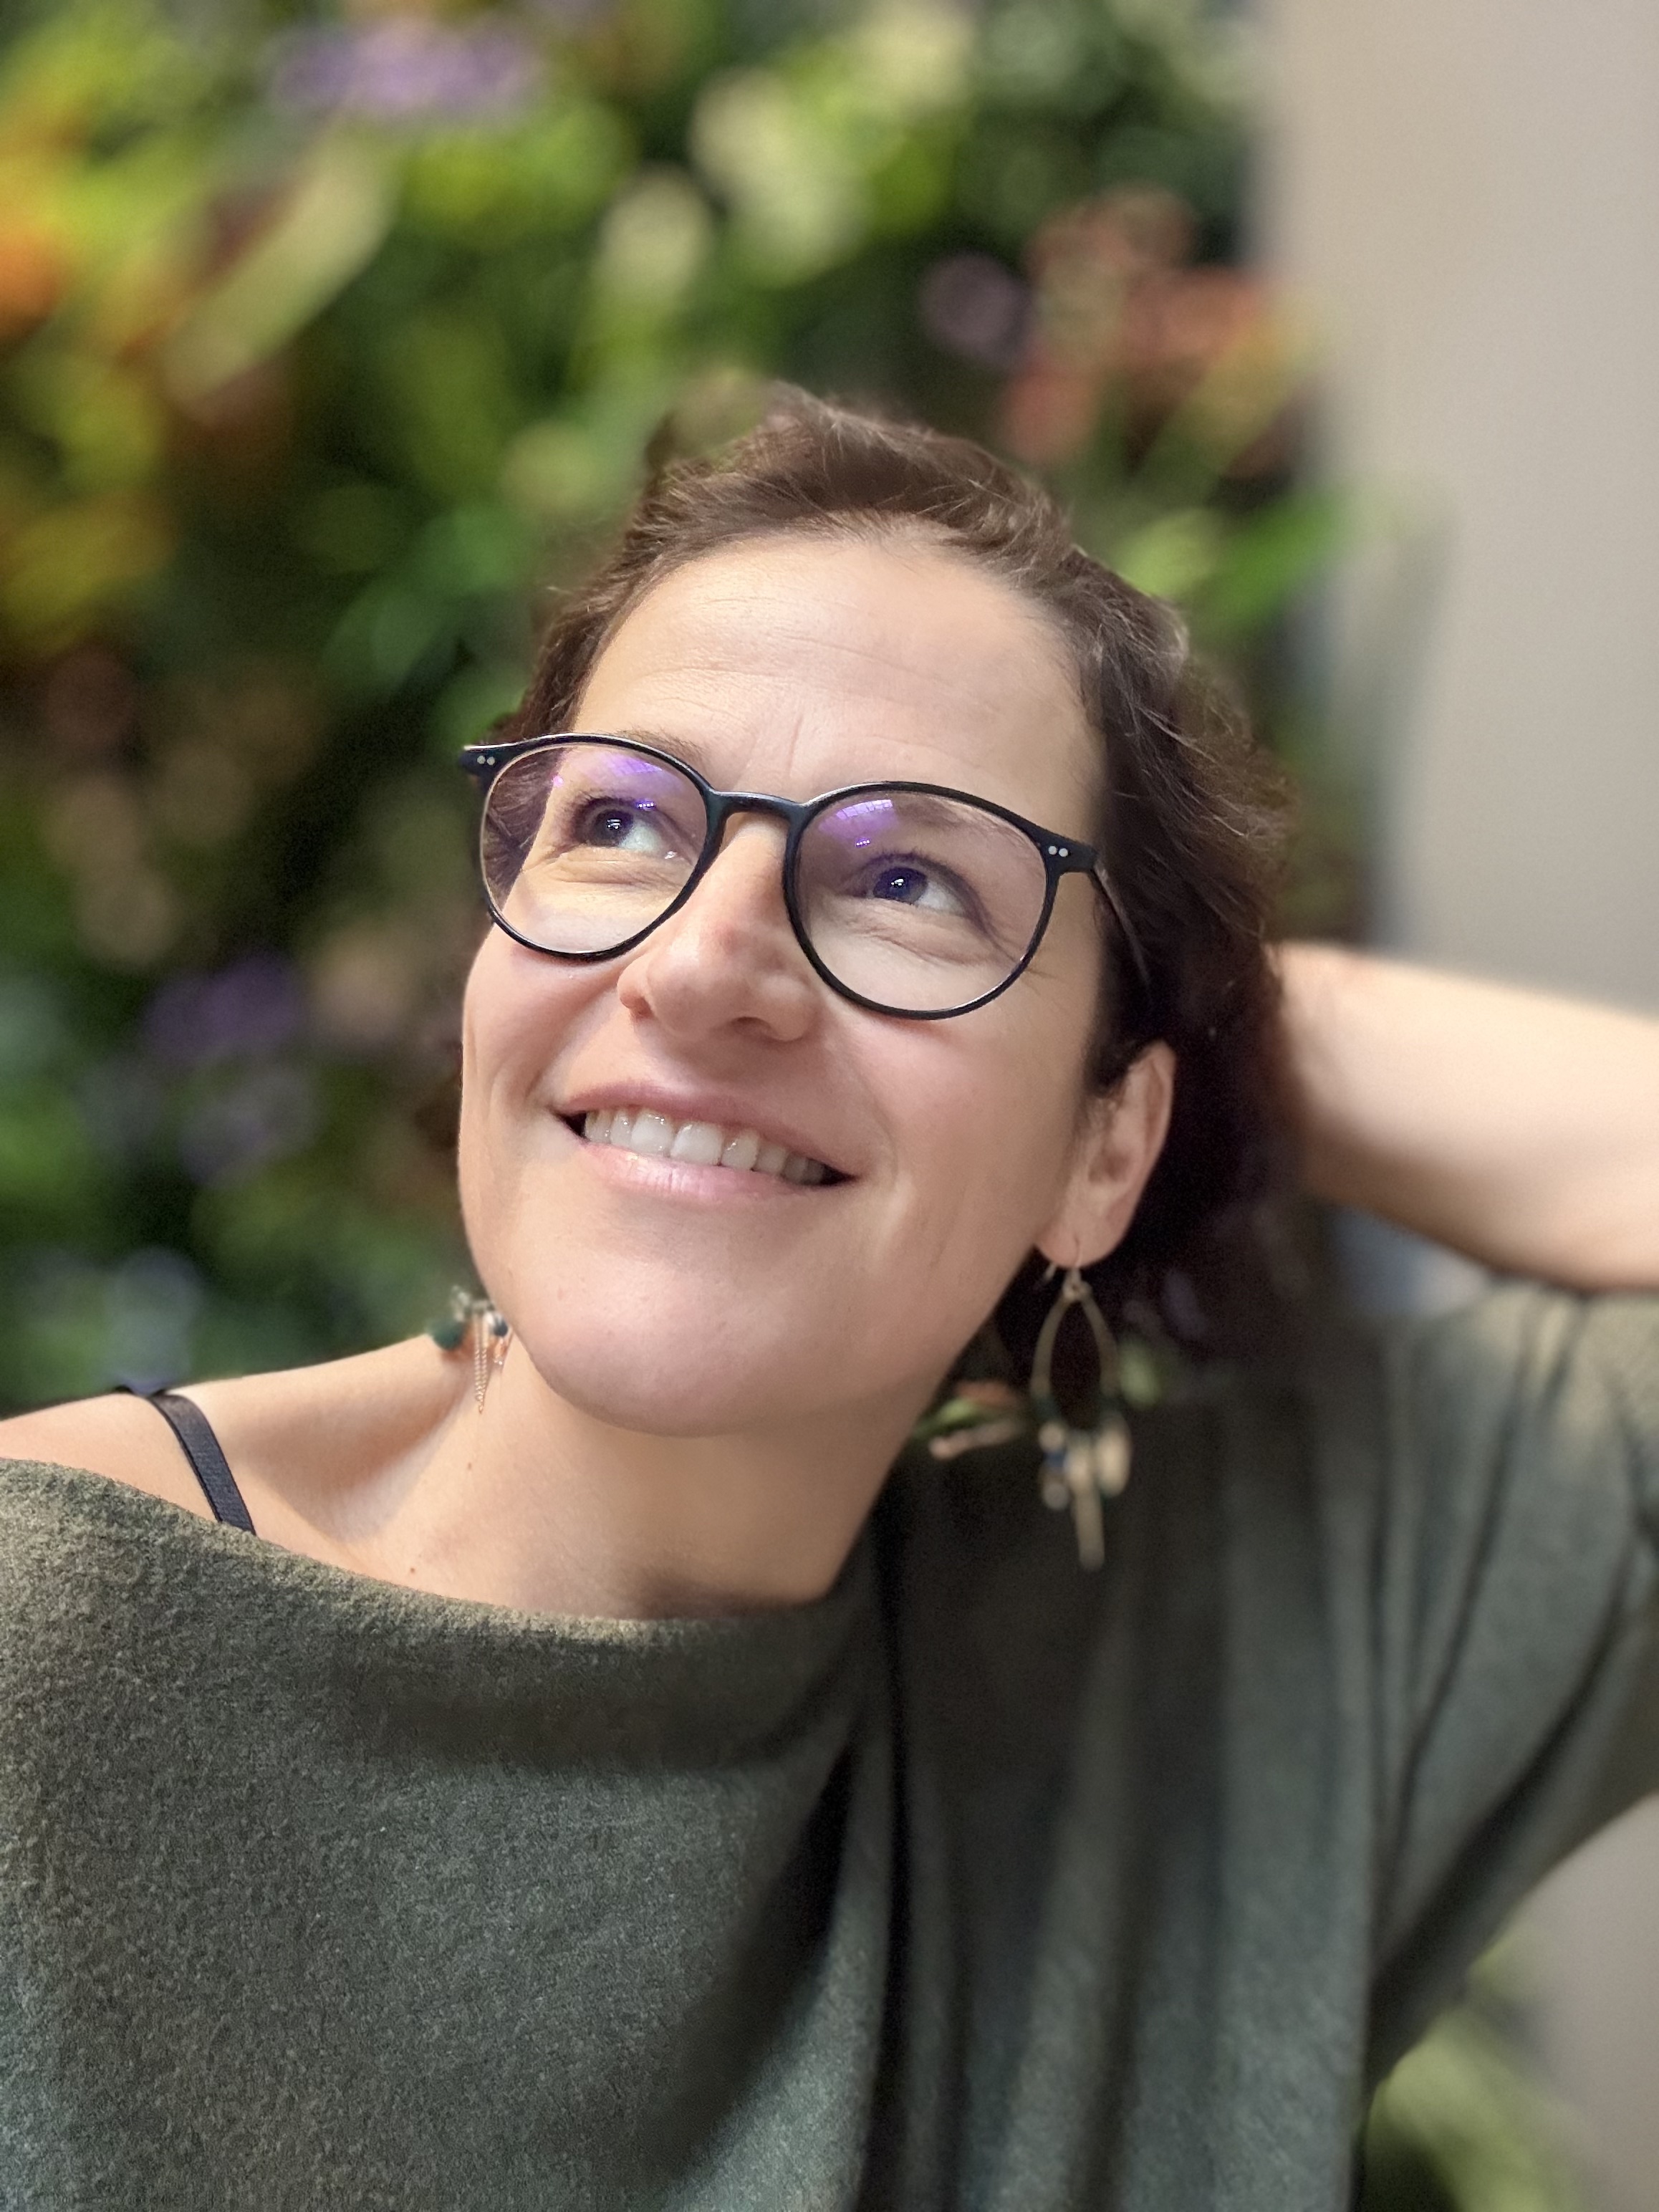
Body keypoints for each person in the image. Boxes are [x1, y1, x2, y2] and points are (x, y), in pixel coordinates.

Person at [1, 393, 1656, 2210]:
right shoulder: (50, 1652)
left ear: (1106, 1145)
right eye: (621, 820)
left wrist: (1244, 1024)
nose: (704, 958)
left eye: (909, 878)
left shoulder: (1204, 1681)